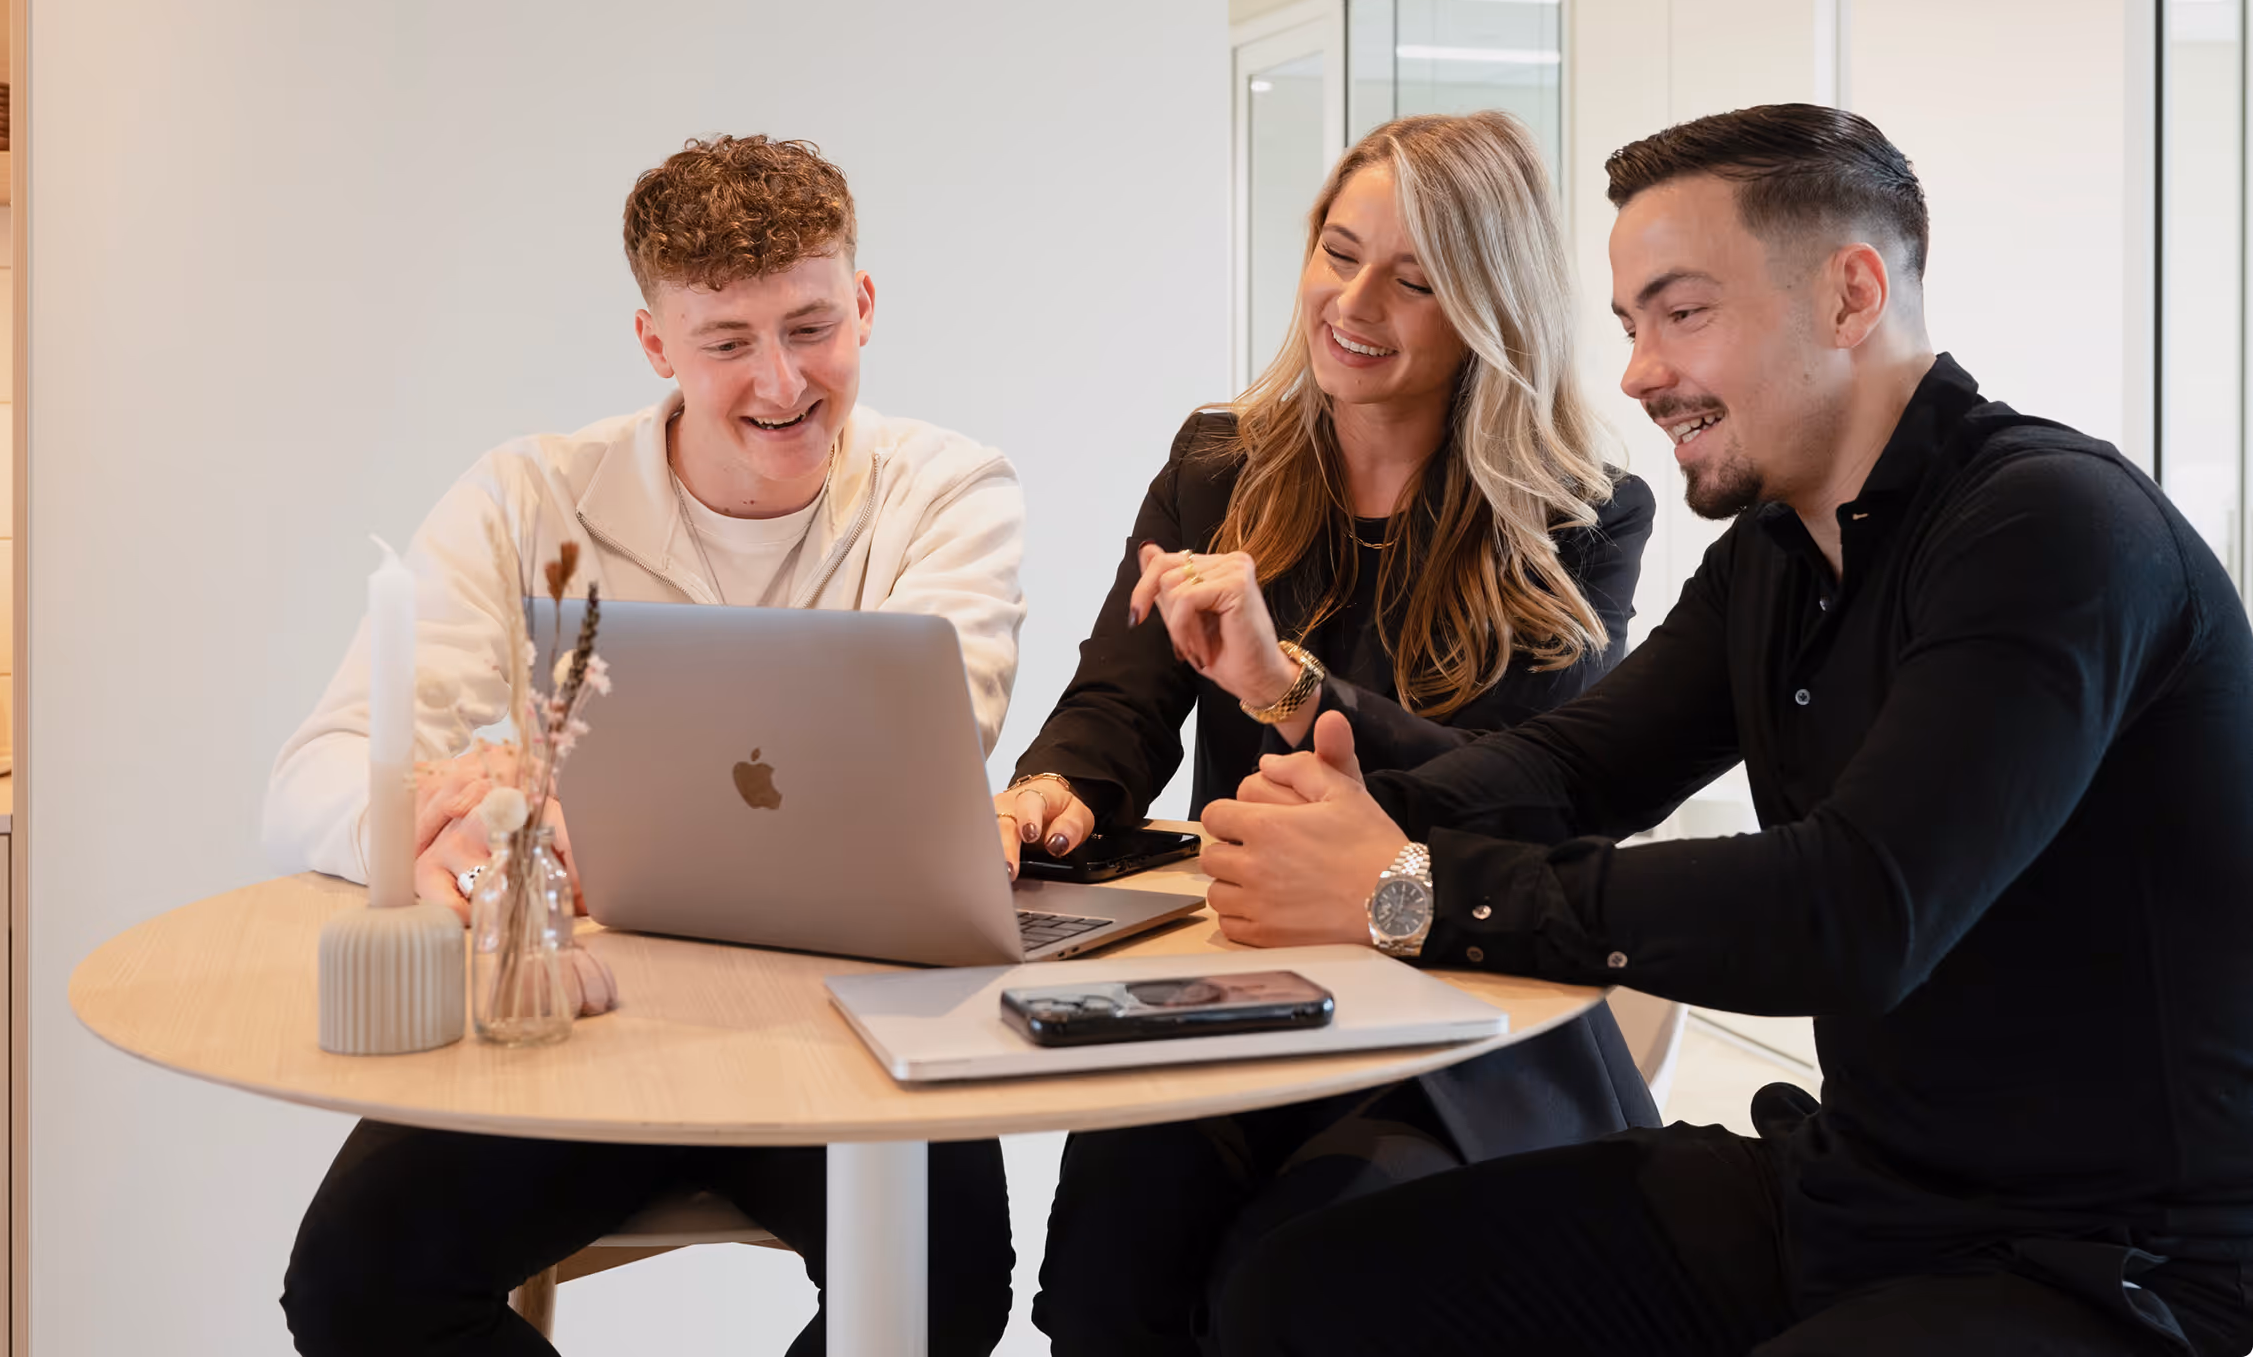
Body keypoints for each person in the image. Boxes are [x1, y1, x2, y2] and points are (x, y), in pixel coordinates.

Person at [1204, 103, 2253, 1357]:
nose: (1642, 371)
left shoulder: (2052, 531)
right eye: (1632, 325)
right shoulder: (1779, 547)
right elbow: (1577, 766)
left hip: (2113, 1260)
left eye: (1682, 312)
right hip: (1861, 1193)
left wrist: (1408, 889)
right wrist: (1344, 826)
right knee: (1300, 1294)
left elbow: (1855, 912)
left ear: (1852, 294)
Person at [269, 135, 1025, 1357]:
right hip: (586, 1024)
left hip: (855, 1025)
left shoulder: (948, 492)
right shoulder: (529, 497)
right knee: (358, 1290)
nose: (781, 382)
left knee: (942, 1301)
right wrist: (439, 815)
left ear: (866, 305)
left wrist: (566, 814)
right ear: (654, 344)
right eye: (727, 342)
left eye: (811, 327)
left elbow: (924, 762)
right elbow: (310, 780)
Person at [995, 111, 1659, 1356]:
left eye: (1414, 280)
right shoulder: (1219, 463)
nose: (1355, 302)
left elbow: (1522, 798)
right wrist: (1044, 793)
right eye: (1338, 252)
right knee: (1100, 1284)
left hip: (1455, 1021)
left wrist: (1290, 688)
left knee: (1288, 1285)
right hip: (1236, 992)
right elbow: (1122, 704)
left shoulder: (1581, 517)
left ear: (1487, 310)